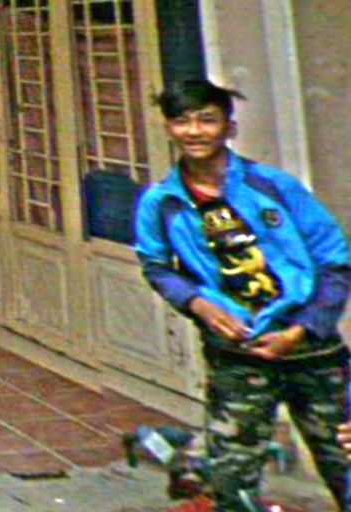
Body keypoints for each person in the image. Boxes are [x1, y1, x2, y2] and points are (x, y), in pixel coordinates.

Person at [134, 79, 351, 511]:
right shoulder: (161, 202)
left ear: (229, 128)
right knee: (231, 481)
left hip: (314, 353)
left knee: (344, 462)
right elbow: (156, 266)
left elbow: (335, 262)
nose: (194, 131)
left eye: (207, 120)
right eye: (182, 121)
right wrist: (198, 304)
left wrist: (303, 328)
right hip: (237, 356)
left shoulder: (273, 186)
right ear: (168, 129)